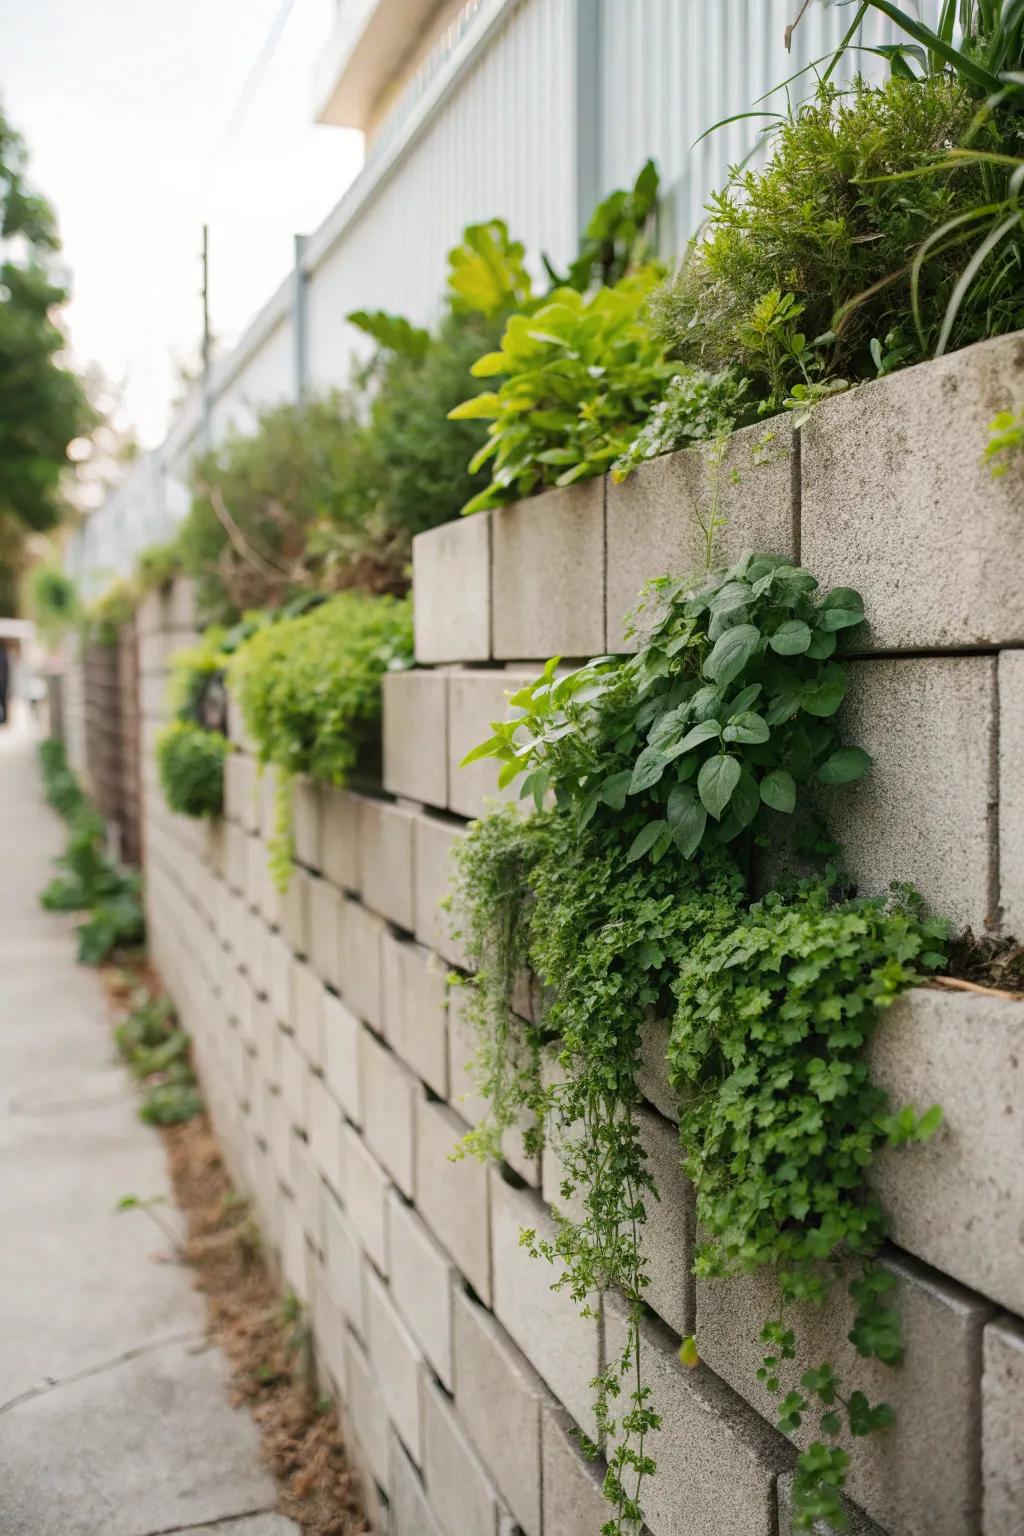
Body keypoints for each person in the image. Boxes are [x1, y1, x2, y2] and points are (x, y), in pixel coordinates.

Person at [0, 642, 9, 727]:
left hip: (3, 682)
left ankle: (4, 719)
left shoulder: (3, 653)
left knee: (3, 701)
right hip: (3, 681)